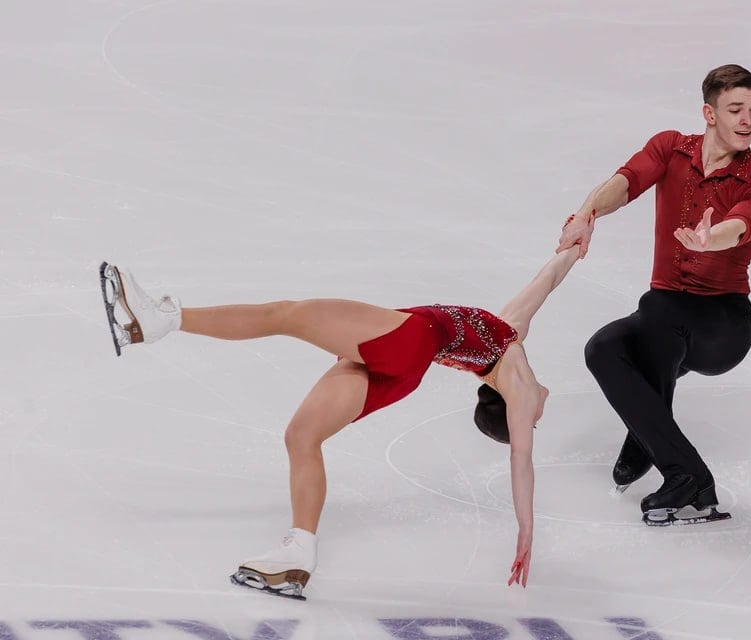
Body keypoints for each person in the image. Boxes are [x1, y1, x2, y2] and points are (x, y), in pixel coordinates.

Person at [96, 236, 588, 599]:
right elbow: (545, 282)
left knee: (284, 314)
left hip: (408, 341)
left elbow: (521, 460)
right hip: (403, 366)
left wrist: (526, 532)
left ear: (508, 410)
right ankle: (297, 554)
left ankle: (163, 318)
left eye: (533, 419)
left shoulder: (519, 387)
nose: (539, 415)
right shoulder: (509, 339)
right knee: (301, 436)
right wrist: (578, 236)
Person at [556, 64, 751, 526]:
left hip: (721, 326)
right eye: (736, 109)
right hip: (666, 316)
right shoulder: (671, 148)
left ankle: (683, 474)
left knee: (657, 311)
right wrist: (585, 214)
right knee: (605, 347)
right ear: (709, 112)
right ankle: (654, 442)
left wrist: (711, 237)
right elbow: (628, 180)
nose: (748, 120)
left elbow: (742, 225)